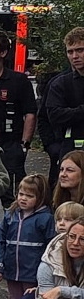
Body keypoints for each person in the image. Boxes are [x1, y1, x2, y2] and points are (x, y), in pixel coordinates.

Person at [0, 30, 37, 183]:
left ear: (3, 53)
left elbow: (30, 113)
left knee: (12, 190)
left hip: (11, 146)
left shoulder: (19, 81)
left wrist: (24, 144)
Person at [1, 174, 54, 299]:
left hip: (32, 272)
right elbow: (1, 239)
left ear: (40, 198)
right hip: (12, 269)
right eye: (21, 194)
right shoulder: (10, 215)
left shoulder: (45, 218)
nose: (23, 198)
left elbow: (50, 246)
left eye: (29, 196)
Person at [42, 27, 84, 185]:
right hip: (69, 149)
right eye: (70, 52)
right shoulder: (61, 83)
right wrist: (52, 148)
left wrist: (72, 113)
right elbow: (53, 115)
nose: (75, 56)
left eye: (80, 50)